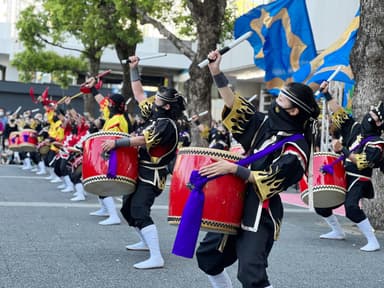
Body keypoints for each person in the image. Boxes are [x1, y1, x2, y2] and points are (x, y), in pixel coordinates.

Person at [194, 50, 320, 288]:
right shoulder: (265, 123)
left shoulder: (297, 147)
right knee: (208, 258)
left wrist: (234, 169)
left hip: (261, 213)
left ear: (294, 111)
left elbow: (274, 179)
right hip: (235, 202)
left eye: (282, 100)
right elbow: (235, 107)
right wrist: (216, 72)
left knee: (252, 275)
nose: (276, 101)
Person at [101, 55, 186, 269]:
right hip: (140, 171)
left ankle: (157, 256)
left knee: (140, 210)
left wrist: (117, 143)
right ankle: (145, 241)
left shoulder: (166, 123)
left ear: (166, 106)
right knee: (127, 209)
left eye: (157, 99)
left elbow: (141, 139)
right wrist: (134, 69)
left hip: (152, 175)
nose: (152, 100)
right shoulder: (156, 115)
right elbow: (139, 94)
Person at [314, 81, 384, 252]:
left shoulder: (378, 143)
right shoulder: (355, 128)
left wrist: (343, 150)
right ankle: (337, 232)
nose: (370, 116)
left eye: (374, 116)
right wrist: (327, 93)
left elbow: (362, 162)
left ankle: (373, 241)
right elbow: (338, 112)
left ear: (380, 124)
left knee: (351, 208)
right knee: (321, 204)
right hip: (343, 174)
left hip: (360, 178)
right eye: (371, 112)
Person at [85, 78, 132, 226]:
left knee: (104, 184)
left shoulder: (118, 120)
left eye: (109, 103)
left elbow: (112, 140)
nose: (105, 106)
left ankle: (113, 215)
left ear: (114, 105)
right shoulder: (113, 115)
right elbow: (101, 101)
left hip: (114, 155)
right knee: (100, 182)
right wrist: (92, 88)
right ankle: (105, 209)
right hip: (109, 153)